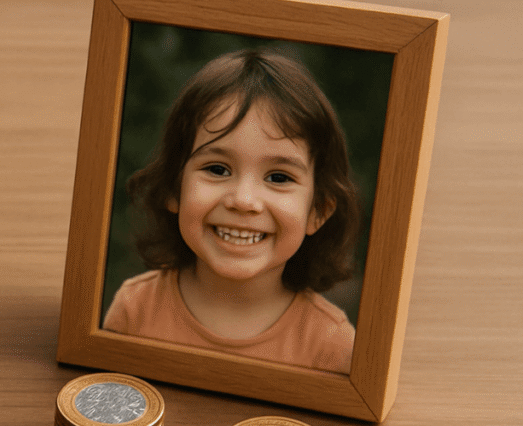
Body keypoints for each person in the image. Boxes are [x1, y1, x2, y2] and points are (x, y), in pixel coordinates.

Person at [103, 48, 360, 374]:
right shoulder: (135, 308)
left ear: (318, 212)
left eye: (278, 177)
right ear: (173, 189)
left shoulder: (332, 346)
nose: (243, 200)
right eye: (217, 169)